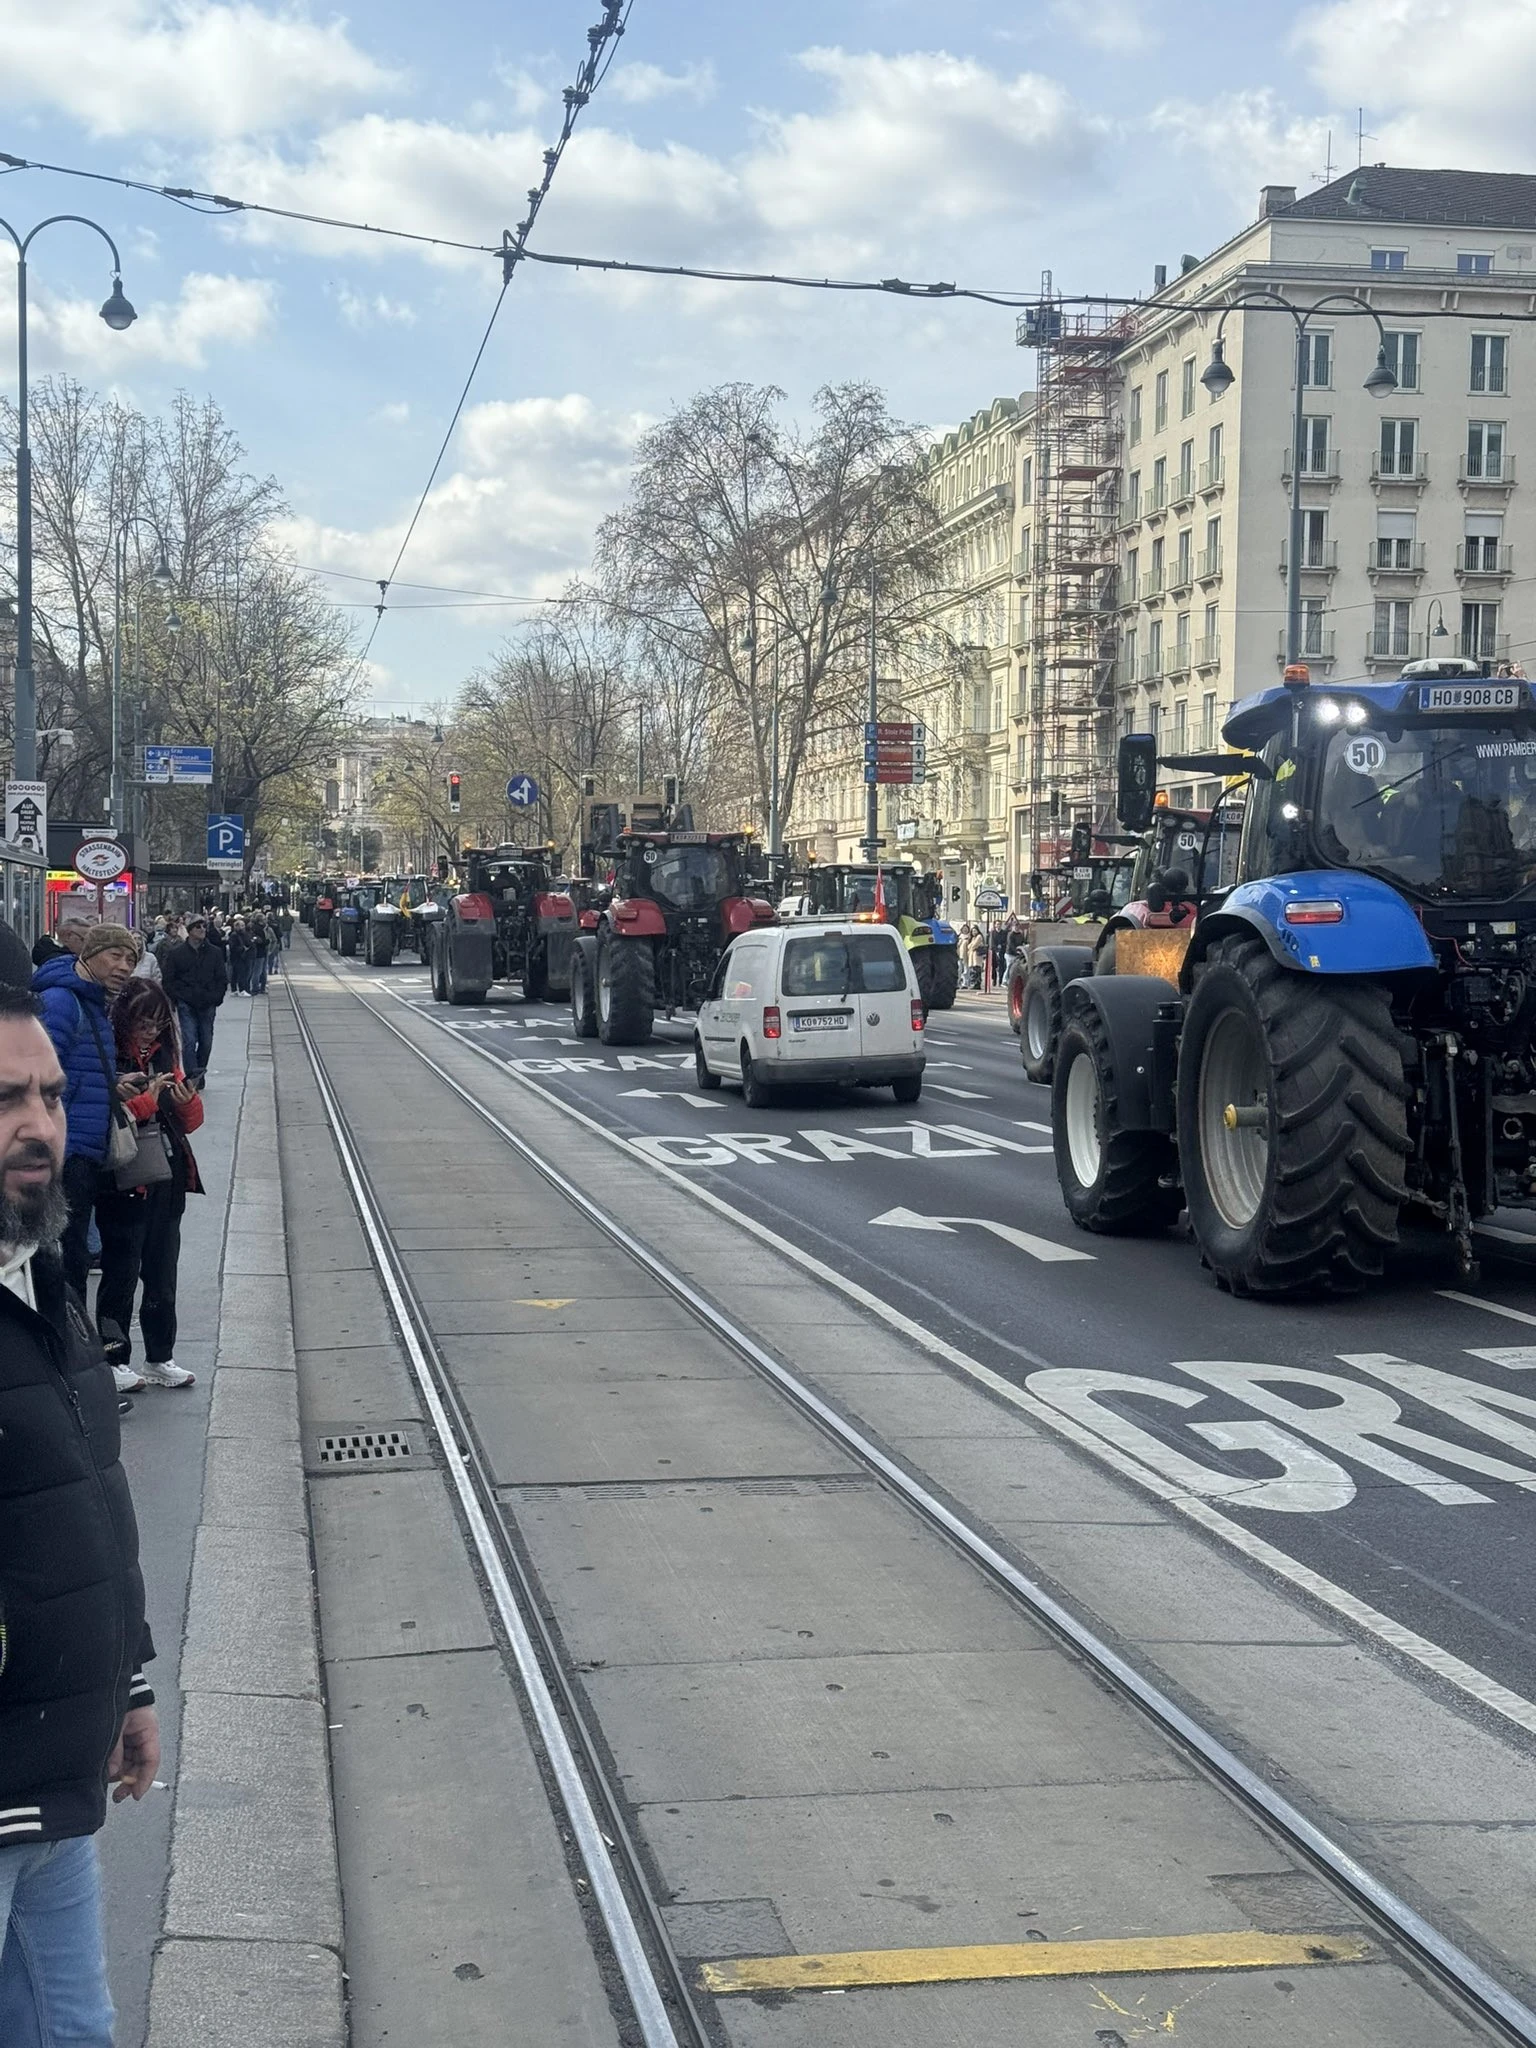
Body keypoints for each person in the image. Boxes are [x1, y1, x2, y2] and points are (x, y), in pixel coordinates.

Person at [0, 985, 160, 2046]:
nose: (40, 1125)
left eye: (52, 1096)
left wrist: (128, 1680)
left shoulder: (40, 1270)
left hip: (57, 1776)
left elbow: (90, 1491)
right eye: (6, 1097)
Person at [94, 982, 201, 1391]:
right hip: (124, 1180)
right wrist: (148, 1099)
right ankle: (114, 1358)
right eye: (143, 1023)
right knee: (121, 1272)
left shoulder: (166, 1055)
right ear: (125, 1019)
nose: (151, 1031)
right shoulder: (110, 1056)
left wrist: (186, 1098)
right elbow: (113, 1121)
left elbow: (190, 1123)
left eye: (158, 1024)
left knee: (161, 1272)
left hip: (167, 1177)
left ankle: (160, 1356)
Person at [30, 925, 138, 1311]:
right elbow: (40, 1074)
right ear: (88, 955)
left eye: (130, 960)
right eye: (115, 955)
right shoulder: (62, 1001)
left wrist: (114, 1083)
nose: (124, 967)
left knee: (72, 1252)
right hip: (66, 1148)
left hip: (83, 1145)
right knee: (66, 1253)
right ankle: (65, 1346)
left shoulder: (90, 1002)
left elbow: (76, 1067)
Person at [160, 915, 226, 1078]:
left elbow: (222, 978)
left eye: (204, 927)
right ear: (190, 931)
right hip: (186, 1003)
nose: (202, 930)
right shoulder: (177, 954)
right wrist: (177, 997)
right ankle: (192, 1077)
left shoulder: (214, 952)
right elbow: (168, 979)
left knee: (206, 1042)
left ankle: (199, 1070)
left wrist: (217, 997)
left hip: (207, 1003)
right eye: (198, 927)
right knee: (189, 1041)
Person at [227, 915, 252, 995]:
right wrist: (242, 948)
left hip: (243, 956)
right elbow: (232, 947)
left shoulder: (243, 934)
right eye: (241, 926)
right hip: (237, 957)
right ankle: (242, 990)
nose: (243, 927)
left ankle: (234, 990)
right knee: (241, 973)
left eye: (243, 925)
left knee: (236, 973)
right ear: (236, 927)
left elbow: (247, 942)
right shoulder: (234, 935)